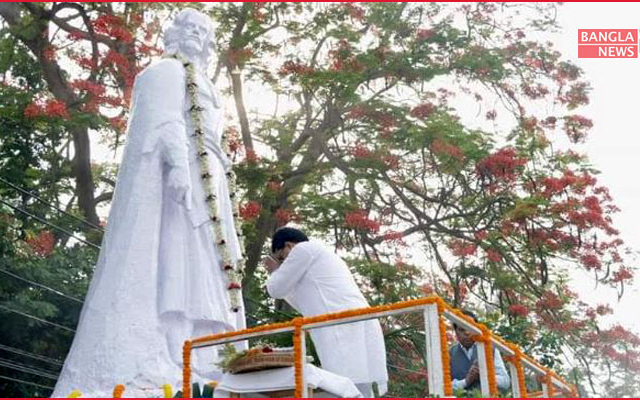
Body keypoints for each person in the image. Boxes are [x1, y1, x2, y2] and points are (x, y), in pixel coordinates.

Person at [52, 9, 245, 397]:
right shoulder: (166, 72)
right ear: (172, 34)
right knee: (178, 264)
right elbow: (164, 121)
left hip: (212, 186)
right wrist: (176, 166)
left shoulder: (205, 84)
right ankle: (173, 352)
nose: (194, 35)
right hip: (181, 182)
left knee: (209, 267)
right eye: (187, 27)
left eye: (201, 31)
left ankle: (206, 357)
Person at [264, 227, 389, 397]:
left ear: (289, 245)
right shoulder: (318, 257)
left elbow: (275, 289)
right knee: (355, 384)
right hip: (347, 322)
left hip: (343, 324)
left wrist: (274, 271)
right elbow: (299, 302)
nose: (283, 263)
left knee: (346, 384)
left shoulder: (303, 249)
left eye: (281, 257)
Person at [449, 310, 511, 393]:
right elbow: (445, 387)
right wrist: (466, 381)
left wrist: (485, 375)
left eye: (470, 328)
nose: (467, 333)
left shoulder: (490, 347)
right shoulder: (449, 353)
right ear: (456, 332)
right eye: (462, 330)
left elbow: (506, 382)